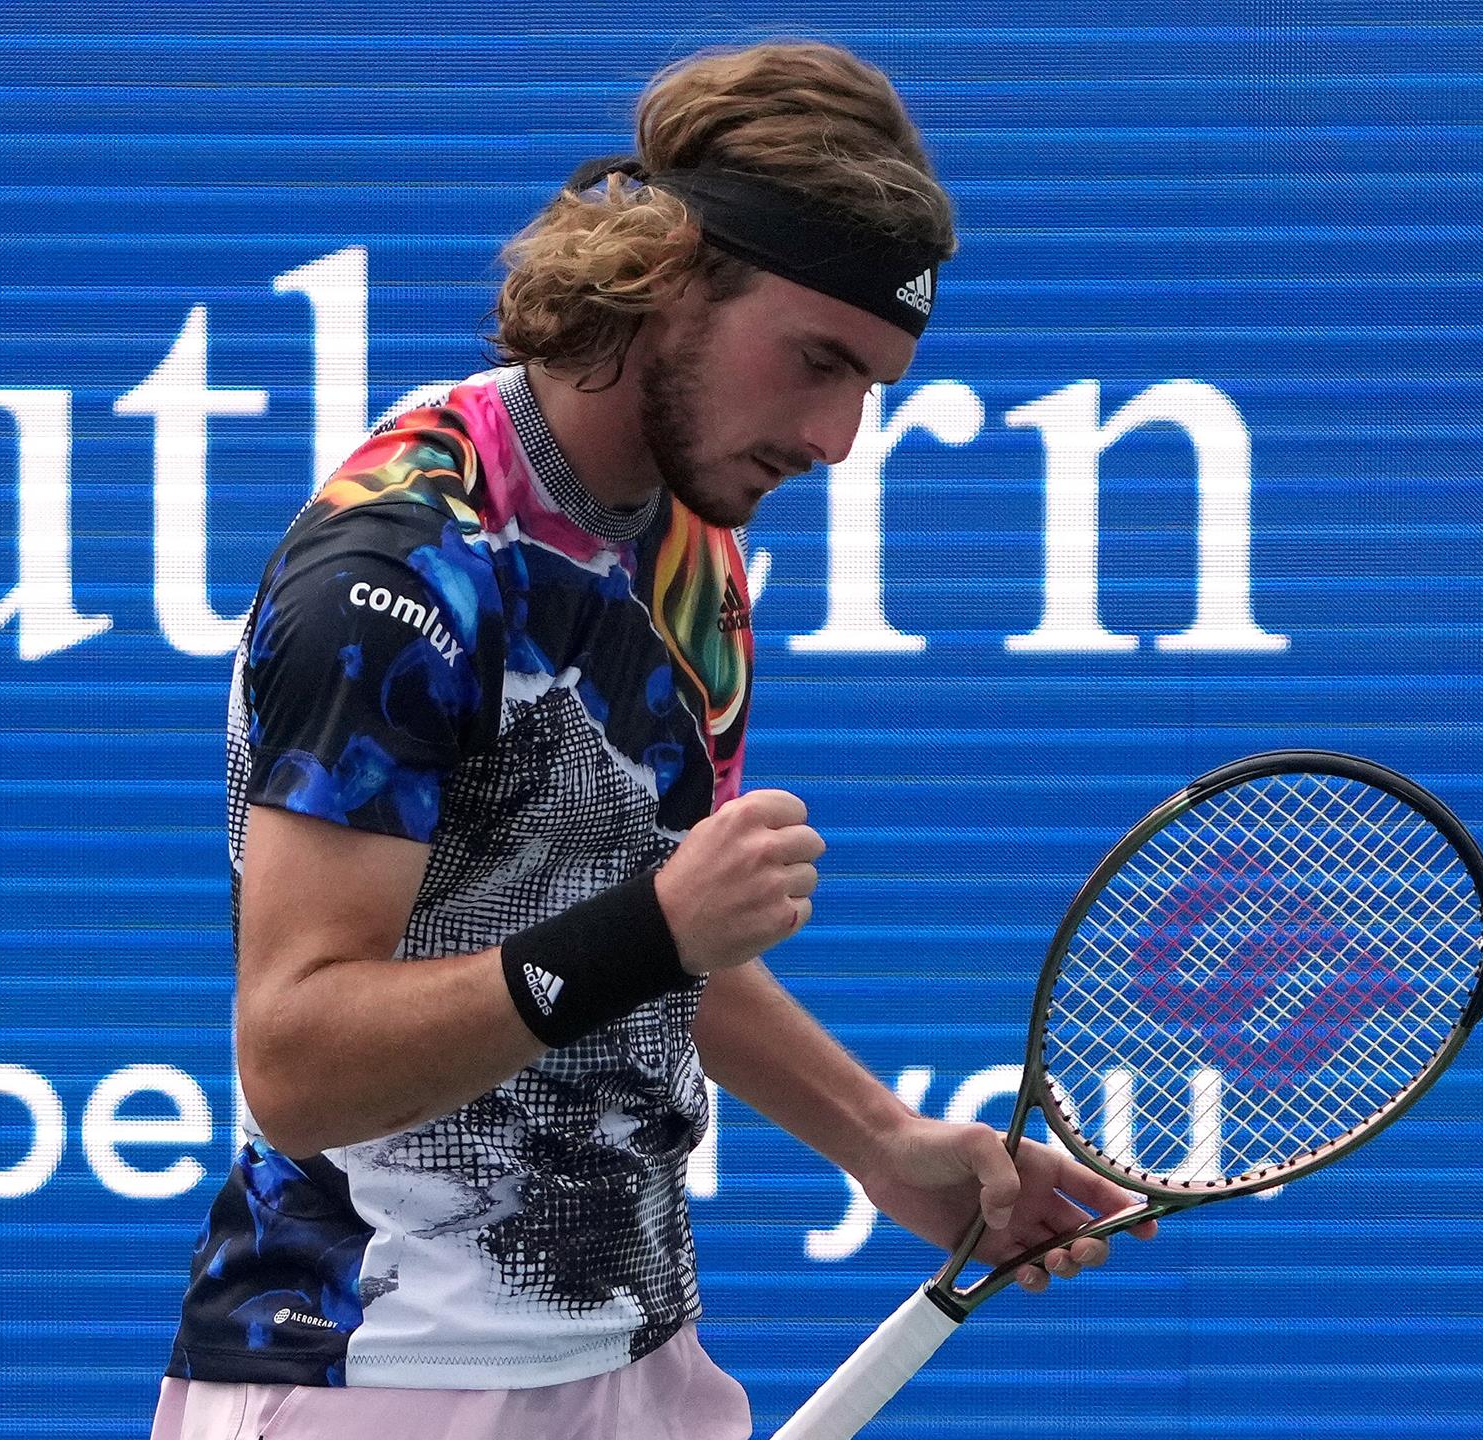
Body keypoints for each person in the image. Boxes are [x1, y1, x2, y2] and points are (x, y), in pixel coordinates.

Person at [151, 39, 1154, 1440]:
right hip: (371, 1375)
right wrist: (651, 931)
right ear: (671, 273)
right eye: (818, 362)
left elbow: (642, 943)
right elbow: (300, 1057)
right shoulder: (400, 571)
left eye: (875, 385)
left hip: (639, 1359)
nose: (839, 437)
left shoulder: (690, 557)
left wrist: (885, 1144)